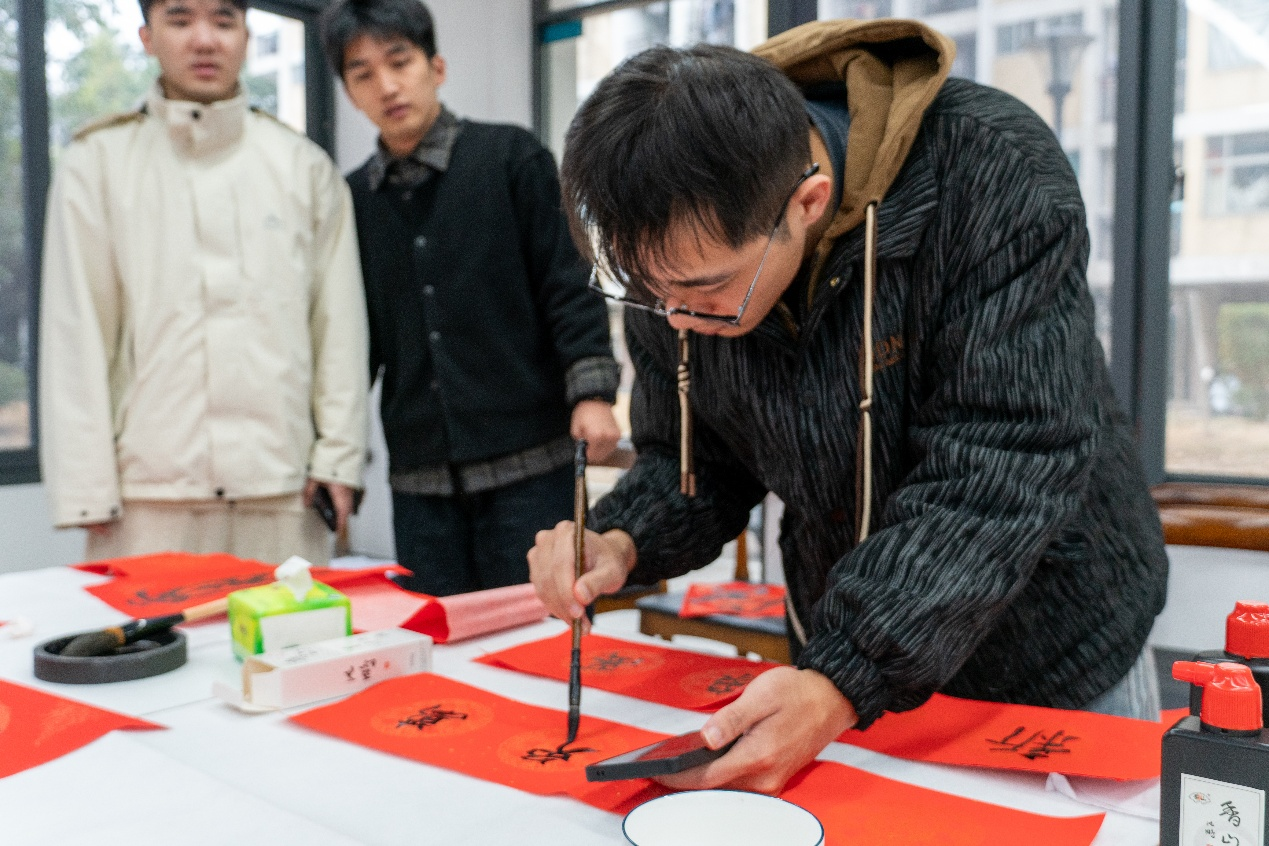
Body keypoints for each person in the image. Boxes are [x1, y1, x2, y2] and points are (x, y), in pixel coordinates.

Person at [528, 21, 1169, 794]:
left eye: (702, 291)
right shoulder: (678, 257)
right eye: (645, 289)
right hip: (845, 663)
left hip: (1048, 649)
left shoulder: (987, 169)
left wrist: (846, 671)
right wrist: (621, 540)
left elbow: (1004, 458)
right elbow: (695, 459)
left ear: (808, 201)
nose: (674, 319)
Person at [39, 0, 369, 566]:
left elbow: (338, 328)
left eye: (222, 20)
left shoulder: (302, 167)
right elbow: (76, 333)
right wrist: (86, 486)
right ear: (147, 36)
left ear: (246, 34)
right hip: (148, 499)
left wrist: (338, 459)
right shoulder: (95, 165)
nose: (205, 39)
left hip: (282, 491)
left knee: (290, 627)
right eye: (180, 19)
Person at [320, 0, 622, 596]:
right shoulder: (350, 200)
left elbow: (567, 279)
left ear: (436, 67)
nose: (387, 86)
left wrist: (592, 392)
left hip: (531, 464)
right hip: (420, 481)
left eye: (399, 62)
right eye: (363, 74)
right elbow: (351, 342)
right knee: (437, 634)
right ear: (350, 93)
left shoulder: (511, 157)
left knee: (540, 623)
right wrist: (333, 455)